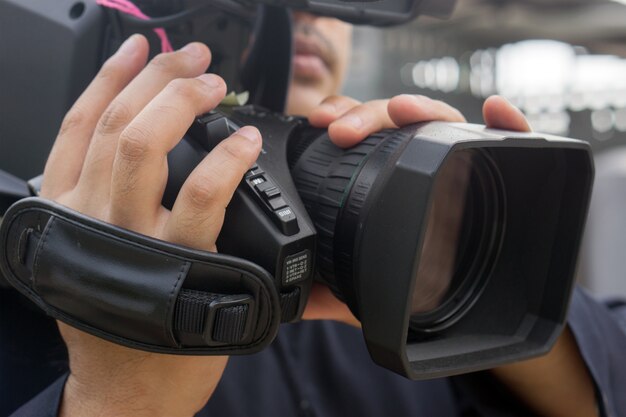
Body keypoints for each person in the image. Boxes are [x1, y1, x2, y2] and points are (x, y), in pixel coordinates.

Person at [3, 12, 626, 417]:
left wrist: (479, 266)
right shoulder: (46, 230)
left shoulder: (424, 234)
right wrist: (117, 399)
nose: (305, 12)